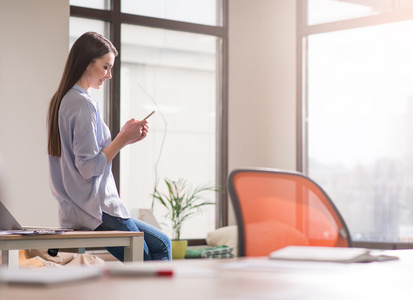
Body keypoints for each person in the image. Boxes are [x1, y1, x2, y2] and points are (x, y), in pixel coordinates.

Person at [47, 31, 171, 261]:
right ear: (87, 63)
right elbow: (87, 167)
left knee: (161, 243)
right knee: (150, 256)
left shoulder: (62, 100)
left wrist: (125, 136)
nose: (109, 75)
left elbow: (81, 161)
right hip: (96, 210)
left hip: (76, 210)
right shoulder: (83, 104)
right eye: (106, 67)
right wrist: (122, 138)